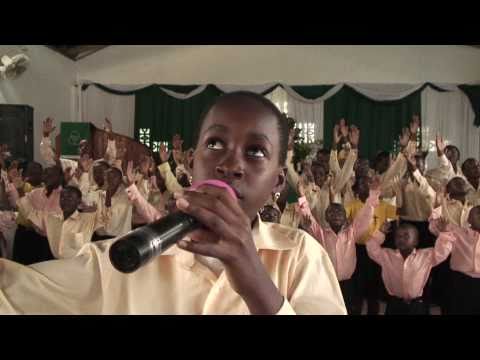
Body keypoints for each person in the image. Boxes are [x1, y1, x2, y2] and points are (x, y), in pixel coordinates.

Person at [0, 91, 346, 314]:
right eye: (214, 144)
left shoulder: (301, 255)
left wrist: (256, 283)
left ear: (277, 182)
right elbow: (14, 294)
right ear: (192, 164)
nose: (230, 164)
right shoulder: (121, 259)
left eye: (255, 151)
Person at [296, 177, 380, 314]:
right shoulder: (320, 233)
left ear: (346, 217)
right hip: (327, 283)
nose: (335, 215)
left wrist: (373, 195)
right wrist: (301, 195)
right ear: (326, 217)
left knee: (350, 309)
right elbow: (308, 217)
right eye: (331, 213)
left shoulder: (352, 232)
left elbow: (365, 215)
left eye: (339, 212)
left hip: (348, 283)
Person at [366, 220, 454, 315]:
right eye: (398, 236)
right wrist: (380, 233)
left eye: (406, 236)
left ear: (415, 241)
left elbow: (442, 252)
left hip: (416, 305)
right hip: (394, 303)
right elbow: (371, 248)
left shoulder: (425, 256)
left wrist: (444, 234)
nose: (401, 239)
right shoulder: (386, 255)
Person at [345, 175, 398, 315]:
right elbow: (345, 224)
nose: (366, 188)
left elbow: (399, 213)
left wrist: (398, 191)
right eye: (363, 185)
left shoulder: (383, 205)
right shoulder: (352, 204)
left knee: (373, 287)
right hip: (358, 250)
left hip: (375, 251)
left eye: (369, 185)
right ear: (358, 189)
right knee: (357, 287)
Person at [27, 186, 106, 259]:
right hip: (55, 263)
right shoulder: (51, 218)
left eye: (70, 198)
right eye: (62, 197)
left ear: (79, 201)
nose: (65, 201)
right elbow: (30, 214)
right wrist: (40, 230)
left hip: (78, 265)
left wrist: (95, 211)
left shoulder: (88, 218)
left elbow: (105, 225)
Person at [11, 165, 64, 264]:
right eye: (46, 173)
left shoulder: (64, 196)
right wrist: (20, 190)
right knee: (21, 271)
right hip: (25, 236)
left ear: (60, 177)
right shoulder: (35, 192)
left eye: (51, 174)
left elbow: (44, 222)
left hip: (47, 241)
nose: (47, 176)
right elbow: (22, 208)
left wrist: (21, 193)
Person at [435, 206, 480, 314]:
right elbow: (433, 227)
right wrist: (443, 230)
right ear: (468, 219)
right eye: (478, 213)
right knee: (455, 308)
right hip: (459, 280)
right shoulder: (458, 232)